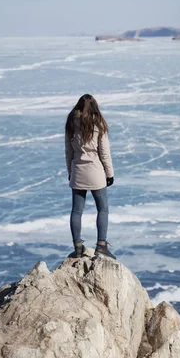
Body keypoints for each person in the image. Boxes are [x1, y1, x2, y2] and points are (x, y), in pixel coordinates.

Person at [65, 94, 116, 259]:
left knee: (76, 212)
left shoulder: (71, 124)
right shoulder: (98, 124)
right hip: (96, 173)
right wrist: (110, 174)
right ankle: (101, 245)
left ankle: (78, 248)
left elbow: (69, 152)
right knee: (103, 209)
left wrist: (70, 173)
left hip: (78, 172)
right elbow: (104, 153)